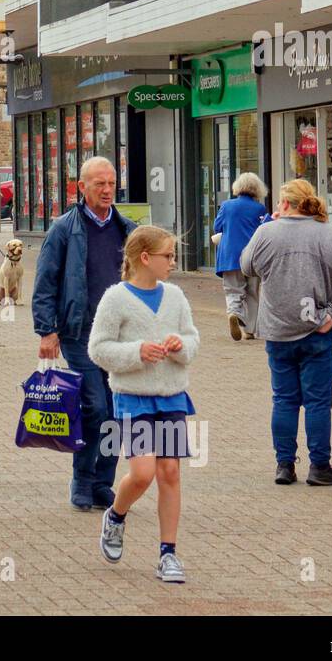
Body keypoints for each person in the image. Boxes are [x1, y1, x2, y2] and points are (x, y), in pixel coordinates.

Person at [89, 226, 198, 585]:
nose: (173, 262)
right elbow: (99, 349)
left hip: (172, 395)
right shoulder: (115, 298)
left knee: (170, 472)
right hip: (133, 397)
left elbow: (193, 339)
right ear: (145, 258)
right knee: (142, 473)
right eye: (168, 256)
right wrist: (136, 352)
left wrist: (182, 346)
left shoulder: (177, 296)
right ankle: (116, 516)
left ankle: (169, 553)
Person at [32, 155, 138, 511]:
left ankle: (102, 483)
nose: (107, 190)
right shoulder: (64, 228)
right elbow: (45, 282)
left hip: (121, 338)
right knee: (95, 408)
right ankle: (82, 479)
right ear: (82, 187)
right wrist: (47, 331)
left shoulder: (127, 229)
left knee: (119, 412)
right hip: (80, 334)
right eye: (99, 184)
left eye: (111, 183)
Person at [241, 179, 332, 487]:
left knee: (284, 399)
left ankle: (284, 465)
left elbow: (245, 266)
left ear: (283, 204)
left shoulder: (266, 232)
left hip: (277, 329)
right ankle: (319, 466)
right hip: (317, 328)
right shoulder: (330, 235)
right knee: (318, 401)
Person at [212, 172, 268, 341]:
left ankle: (234, 313)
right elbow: (265, 231)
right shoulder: (260, 208)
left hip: (230, 255)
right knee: (252, 291)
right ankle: (250, 330)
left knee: (233, 289)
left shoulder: (227, 206)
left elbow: (217, 227)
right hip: (252, 256)